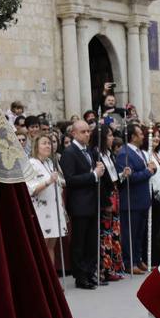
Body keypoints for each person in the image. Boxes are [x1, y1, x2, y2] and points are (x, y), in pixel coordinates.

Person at [59, 120, 104, 289]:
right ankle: (80, 276)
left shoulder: (89, 151)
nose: (87, 134)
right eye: (83, 131)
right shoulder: (69, 153)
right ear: (74, 134)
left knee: (91, 241)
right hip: (79, 204)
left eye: (88, 131)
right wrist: (93, 175)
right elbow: (70, 180)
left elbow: (92, 173)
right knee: (79, 242)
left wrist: (98, 172)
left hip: (92, 202)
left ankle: (90, 272)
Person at [116, 122, 154, 270]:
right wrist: (148, 172)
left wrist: (152, 170)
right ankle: (129, 261)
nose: (143, 136)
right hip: (132, 199)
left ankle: (138, 258)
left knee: (139, 232)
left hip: (142, 199)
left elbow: (147, 171)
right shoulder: (124, 153)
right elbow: (128, 177)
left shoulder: (139, 151)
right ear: (132, 136)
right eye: (140, 134)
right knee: (129, 233)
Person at [25, 131, 67, 267]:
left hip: (54, 209)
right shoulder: (31, 164)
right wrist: (49, 181)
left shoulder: (50, 163)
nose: (48, 146)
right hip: (41, 211)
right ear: (36, 147)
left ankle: (52, 281)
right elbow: (32, 189)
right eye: (44, 143)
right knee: (42, 246)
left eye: (49, 143)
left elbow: (61, 184)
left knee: (51, 246)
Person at [94, 125, 124, 284]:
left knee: (114, 233)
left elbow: (113, 177)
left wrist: (122, 176)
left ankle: (114, 267)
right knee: (105, 234)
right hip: (106, 197)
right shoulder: (96, 154)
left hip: (114, 193)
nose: (112, 138)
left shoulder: (110, 154)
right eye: (109, 135)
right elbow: (101, 181)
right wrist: (106, 201)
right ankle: (104, 269)